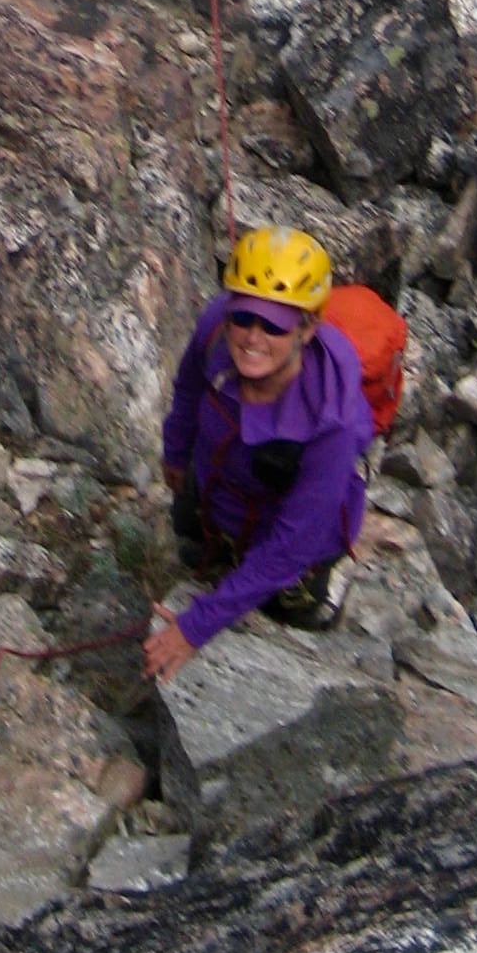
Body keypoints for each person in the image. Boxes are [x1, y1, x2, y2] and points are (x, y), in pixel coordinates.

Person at [142, 225, 376, 682]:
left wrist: (195, 627)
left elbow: (295, 543)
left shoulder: (330, 418)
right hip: (214, 490)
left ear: (307, 328)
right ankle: (217, 564)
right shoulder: (216, 328)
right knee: (193, 536)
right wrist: (175, 451)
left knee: (287, 599)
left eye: (274, 324)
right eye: (243, 316)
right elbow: (189, 386)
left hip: (286, 536)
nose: (252, 337)